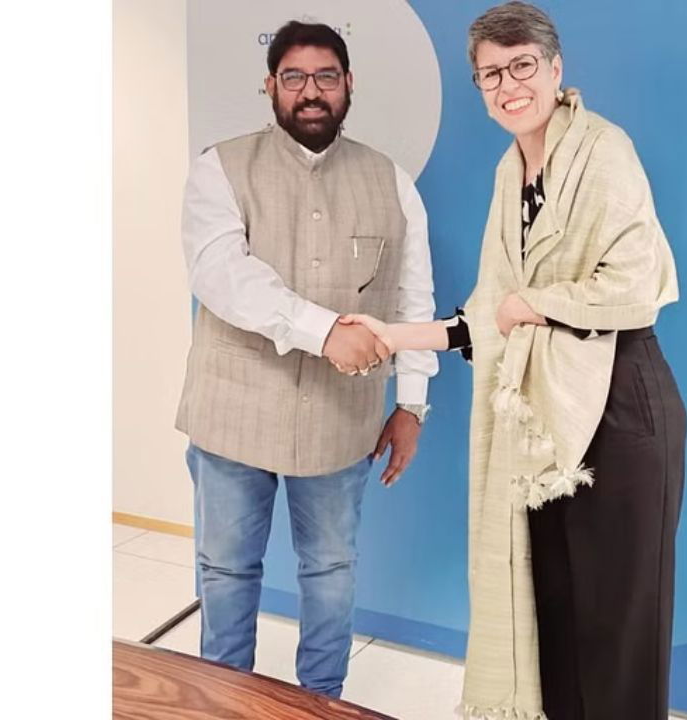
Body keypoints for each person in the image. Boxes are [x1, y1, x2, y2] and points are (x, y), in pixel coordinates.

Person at [339, 3, 686, 718]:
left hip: (620, 401)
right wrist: (394, 334)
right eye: (490, 74)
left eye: (522, 65)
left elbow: (636, 288)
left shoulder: (603, 149)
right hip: (543, 414)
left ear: (557, 71)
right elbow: (485, 314)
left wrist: (532, 306)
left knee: (618, 624)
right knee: (552, 607)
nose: (508, 85)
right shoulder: (510, 172)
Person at [173, 20, 437, 699]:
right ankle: (226, 702)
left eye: (325, 77)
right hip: (234, 410)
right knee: (227, 571)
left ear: (349, 86)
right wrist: (322, 331)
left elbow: (413, 300)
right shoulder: (220, 168)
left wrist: (411, 404)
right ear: (270, 87)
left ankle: (321, 704)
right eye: (294, 78)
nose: (310, 92)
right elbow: (221, 274)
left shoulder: (392, 183)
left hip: (341, 421)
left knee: (331, 570)